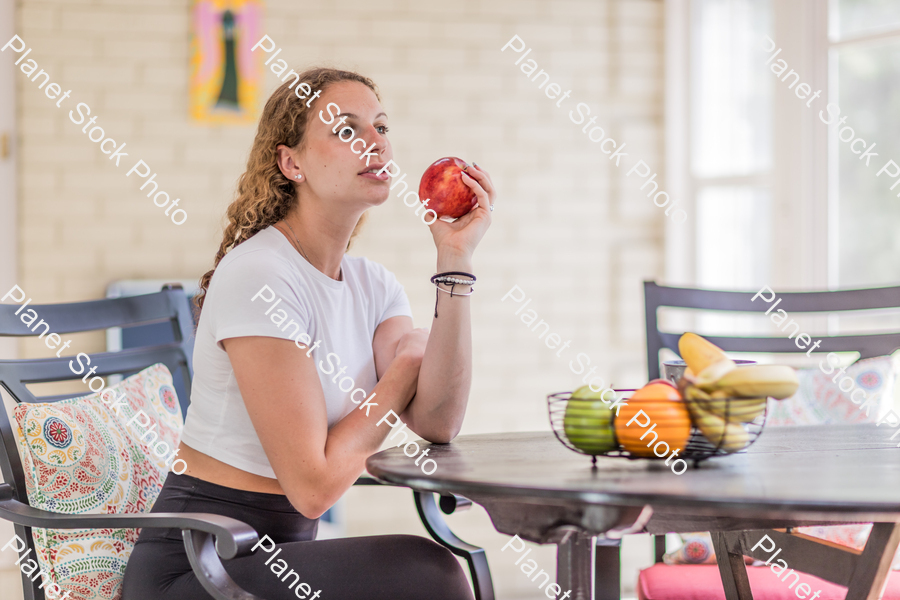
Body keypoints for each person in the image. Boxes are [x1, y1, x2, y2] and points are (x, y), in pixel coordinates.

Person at [122, 67, 494, 599]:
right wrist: (406, 370)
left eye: (381, 128)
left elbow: (438, 421)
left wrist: (454, 261)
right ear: (291, 162)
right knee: (430, 574)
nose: (375, 142)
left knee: (426, 572)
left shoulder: (373, 284)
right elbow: (314, 488)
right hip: (197, 569)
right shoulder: (260, 275)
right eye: (347, 130)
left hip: (281, 560)